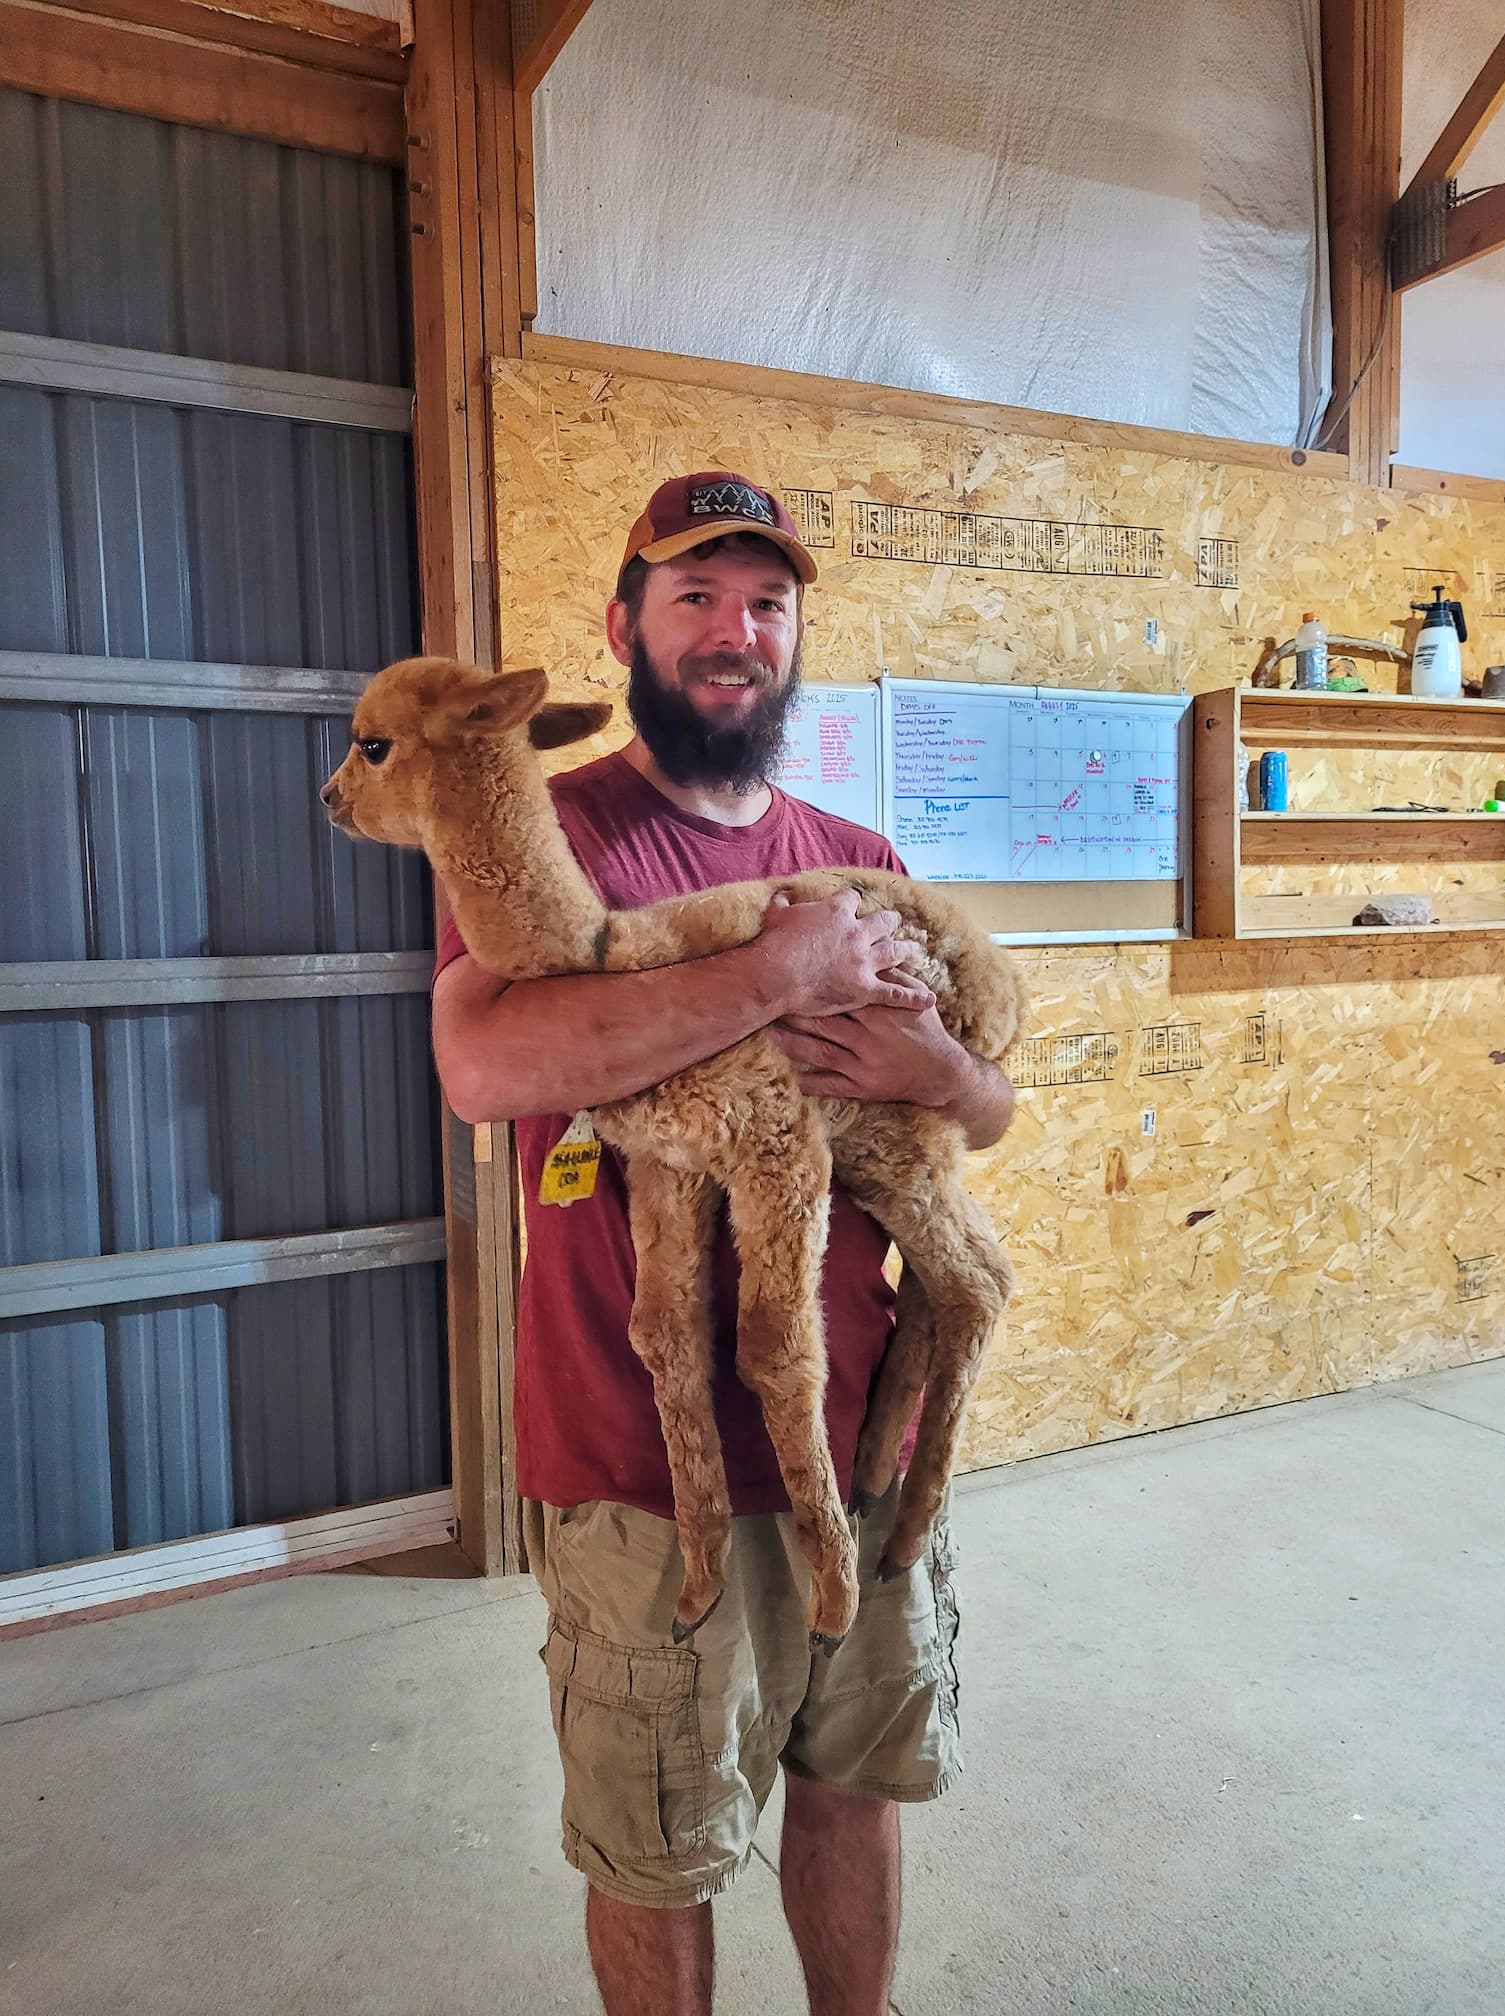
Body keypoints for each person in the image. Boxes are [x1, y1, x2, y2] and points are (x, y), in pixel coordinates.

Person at [431, 472, 1016, 2016]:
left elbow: (983, 1116)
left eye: (765, 605)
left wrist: (943, 1078)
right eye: (694, 598)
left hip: (859, 1434)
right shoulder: (546, 843)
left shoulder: (853, 844)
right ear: (625, 624)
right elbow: (484, 1069)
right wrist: (778, 974)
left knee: (853, 1785)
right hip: (642, 1464)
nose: (733, 633)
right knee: (659, 1847)